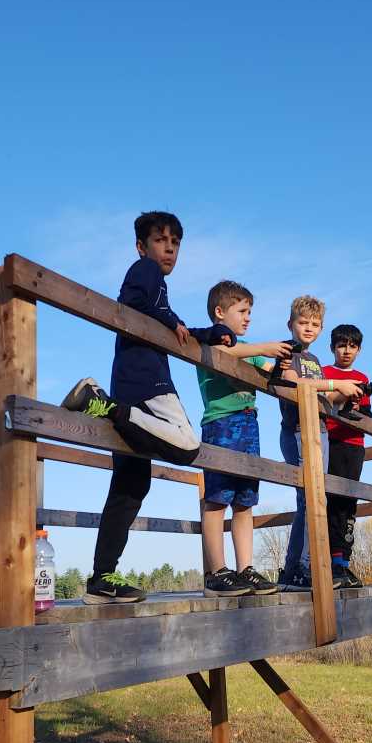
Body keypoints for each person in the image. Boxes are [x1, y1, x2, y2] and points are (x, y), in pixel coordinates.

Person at [61, 211, 234, 604]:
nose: (169, 247)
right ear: (142, 246)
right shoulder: (145, 271)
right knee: (188, 445)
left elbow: (169, 327)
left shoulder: (155, 290)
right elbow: (134, 302)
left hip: (129, 384)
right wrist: (171, 318)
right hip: (148, 386)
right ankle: (102, 405)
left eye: (175, 242)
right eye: (160, 240)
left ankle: (101, 579)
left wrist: (207, 334)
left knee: (130, 486)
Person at [195, 280, 293, 597]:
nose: (248, 317)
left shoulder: (249, 349)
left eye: (250, 311)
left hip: (250, 425)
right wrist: (264, 347)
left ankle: (245, 569)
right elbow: (227, 351)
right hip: (222, 425)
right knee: (217, 498)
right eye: (242, 310)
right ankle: (217, 571)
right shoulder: (213, 341)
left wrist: (285, 363)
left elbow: (269, 368)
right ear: (219, 312)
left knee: (244, 501)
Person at [276, 296, 364, 590]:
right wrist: (334, 384)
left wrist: (345, 394)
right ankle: (297, 569)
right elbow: (291, 382)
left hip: (321, 431)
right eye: (303, 323)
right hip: (299, 430)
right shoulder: (288, 352)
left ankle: (303, 566)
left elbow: (324, 399)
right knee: (308, 500)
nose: (309, 328)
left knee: (318, 499)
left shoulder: (314, 361)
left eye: (315, 324)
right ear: (291, 324)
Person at [322, 324, 370, 588]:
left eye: (352, 346)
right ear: (332, 348)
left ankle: (344, 564)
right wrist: (344, 392)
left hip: (355, 445)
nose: (346, 351)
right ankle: (330, 561)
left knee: (349, 504)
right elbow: (323, 404)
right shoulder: (325, 373)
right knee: (332, 501)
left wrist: (358, 402)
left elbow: (367, 416)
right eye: (341, 345)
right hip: (332, 442)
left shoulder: (362, 377)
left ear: (359, 349)